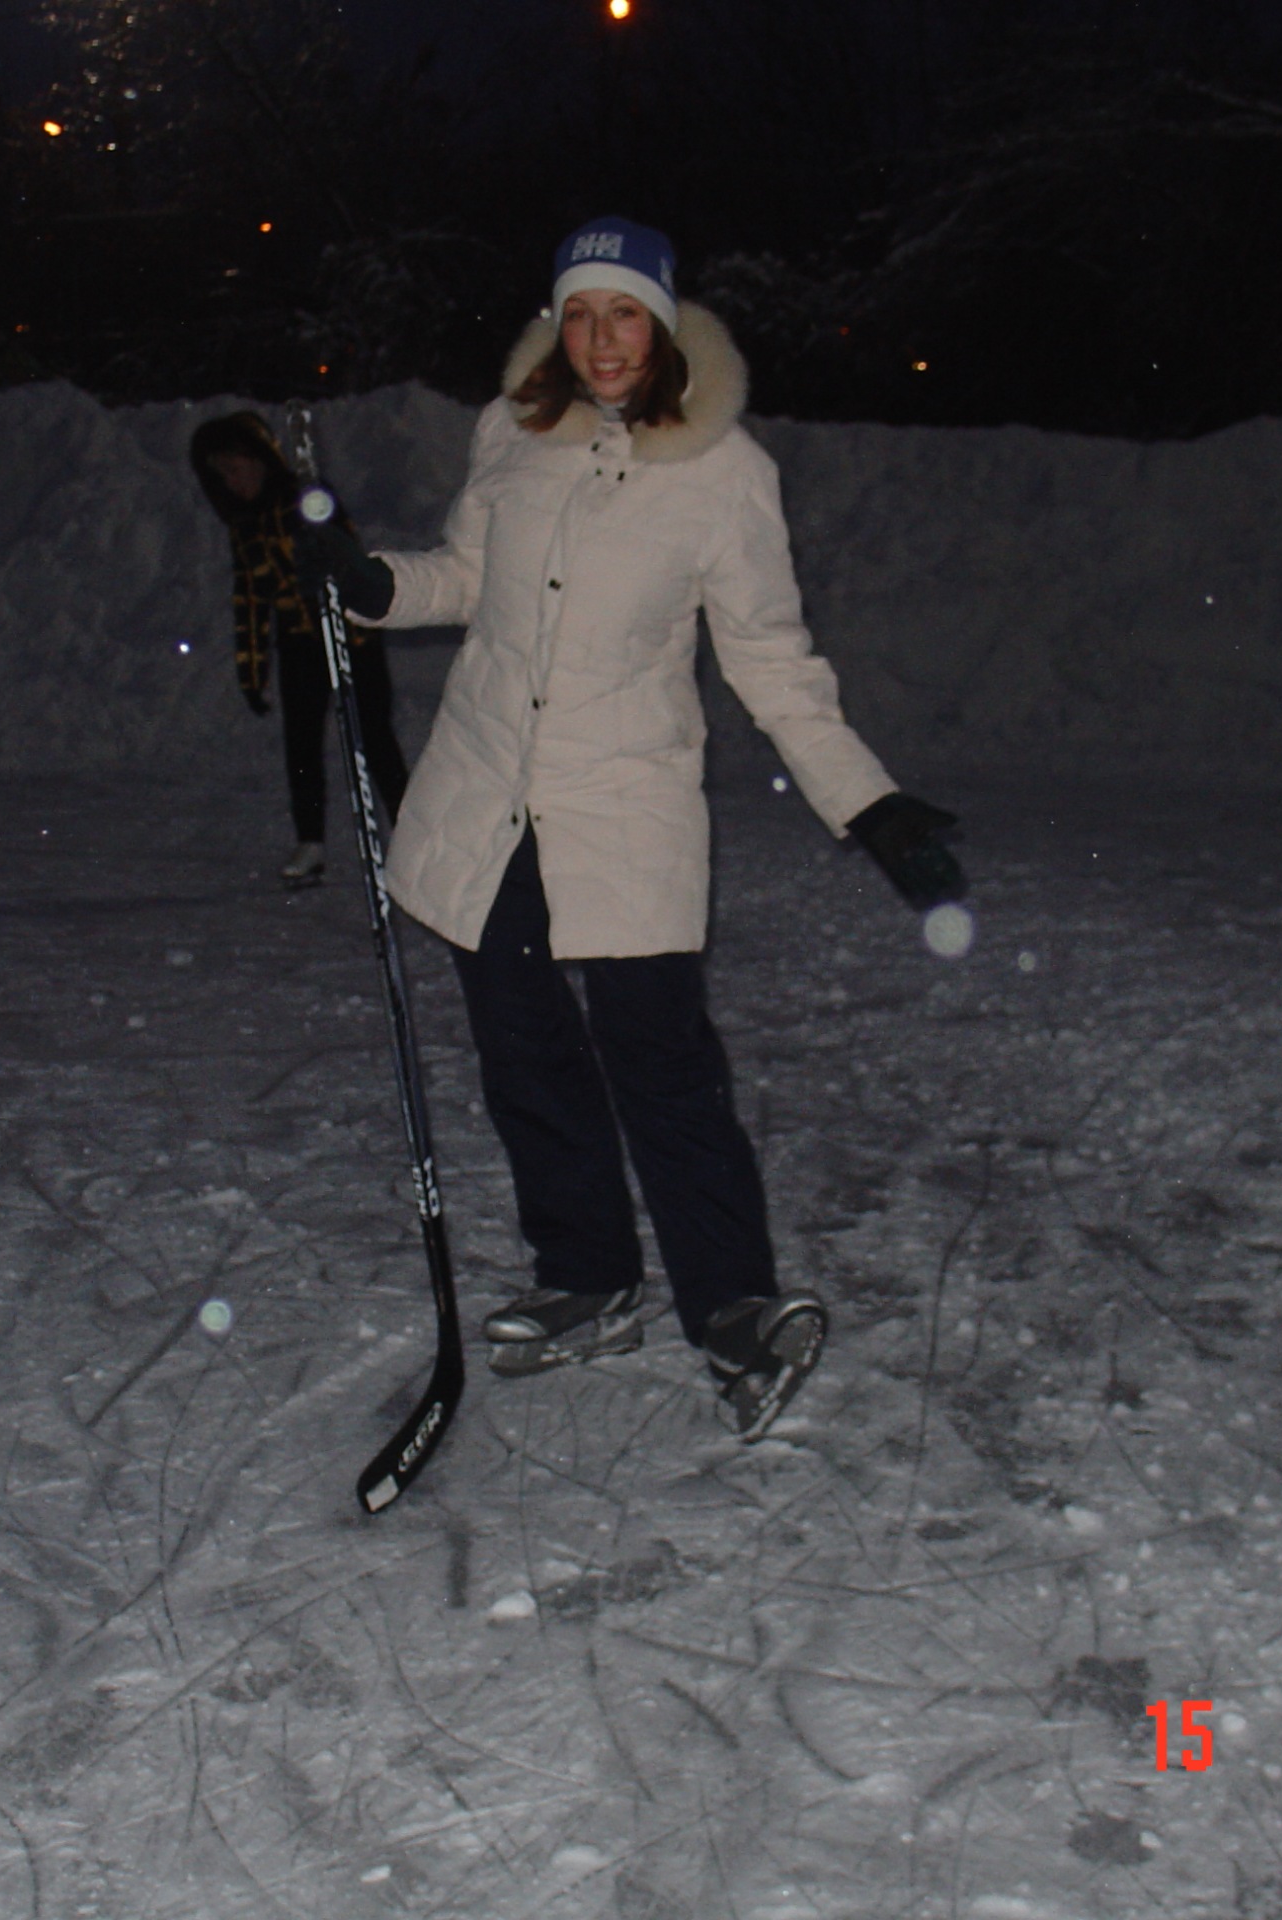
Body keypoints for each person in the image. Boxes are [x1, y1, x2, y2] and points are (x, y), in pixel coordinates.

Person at [292, 216, 965, 1440]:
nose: (600, 340)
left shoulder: (724, 473)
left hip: (623, 808)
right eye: (579, 313)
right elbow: (467, 577)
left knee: (661, 1066)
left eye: (623, 314)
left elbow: (769, 659)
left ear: (662, 323)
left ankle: (733, 1307)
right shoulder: (512, 433)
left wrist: (865, 802)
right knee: (524, 1055)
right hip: (488, 797)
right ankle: (587, 1276)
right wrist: (377, 581)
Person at [188, 410, 407, 888]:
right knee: (302, 743)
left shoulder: (306, 499)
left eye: (236, 469)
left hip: (351, 637)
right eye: (223, 475)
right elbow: (250, 600)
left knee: (374, 738)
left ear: (260, 461)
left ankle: (412, 835)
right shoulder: (244, 525)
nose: (232, 482)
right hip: (299, 644)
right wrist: (252, 672)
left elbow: (350, 557)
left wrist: (324, 549)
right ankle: (311, 842)